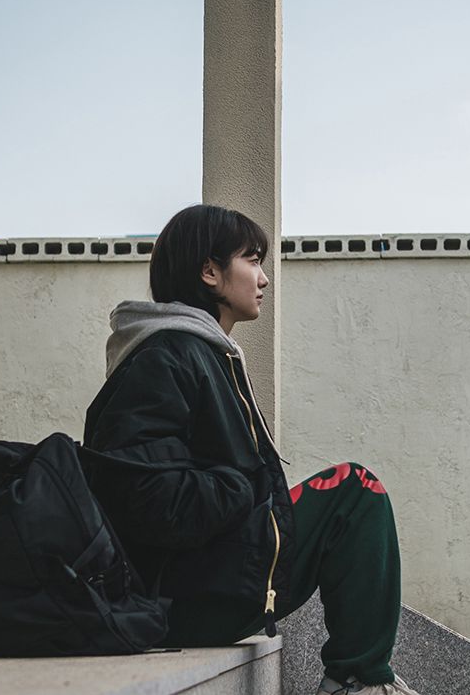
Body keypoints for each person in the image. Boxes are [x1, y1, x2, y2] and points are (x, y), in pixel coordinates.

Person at [83, 204, 419, 695]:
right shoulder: (164, 358)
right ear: (210, 272)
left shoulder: (204, 355)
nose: (264, 278)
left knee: (353, 490)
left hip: (208, 578)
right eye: (253, 261)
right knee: (354, 490)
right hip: (181, 598)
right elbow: (149, 502)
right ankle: (357, 680)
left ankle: (357, 676)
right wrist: (245, 480)